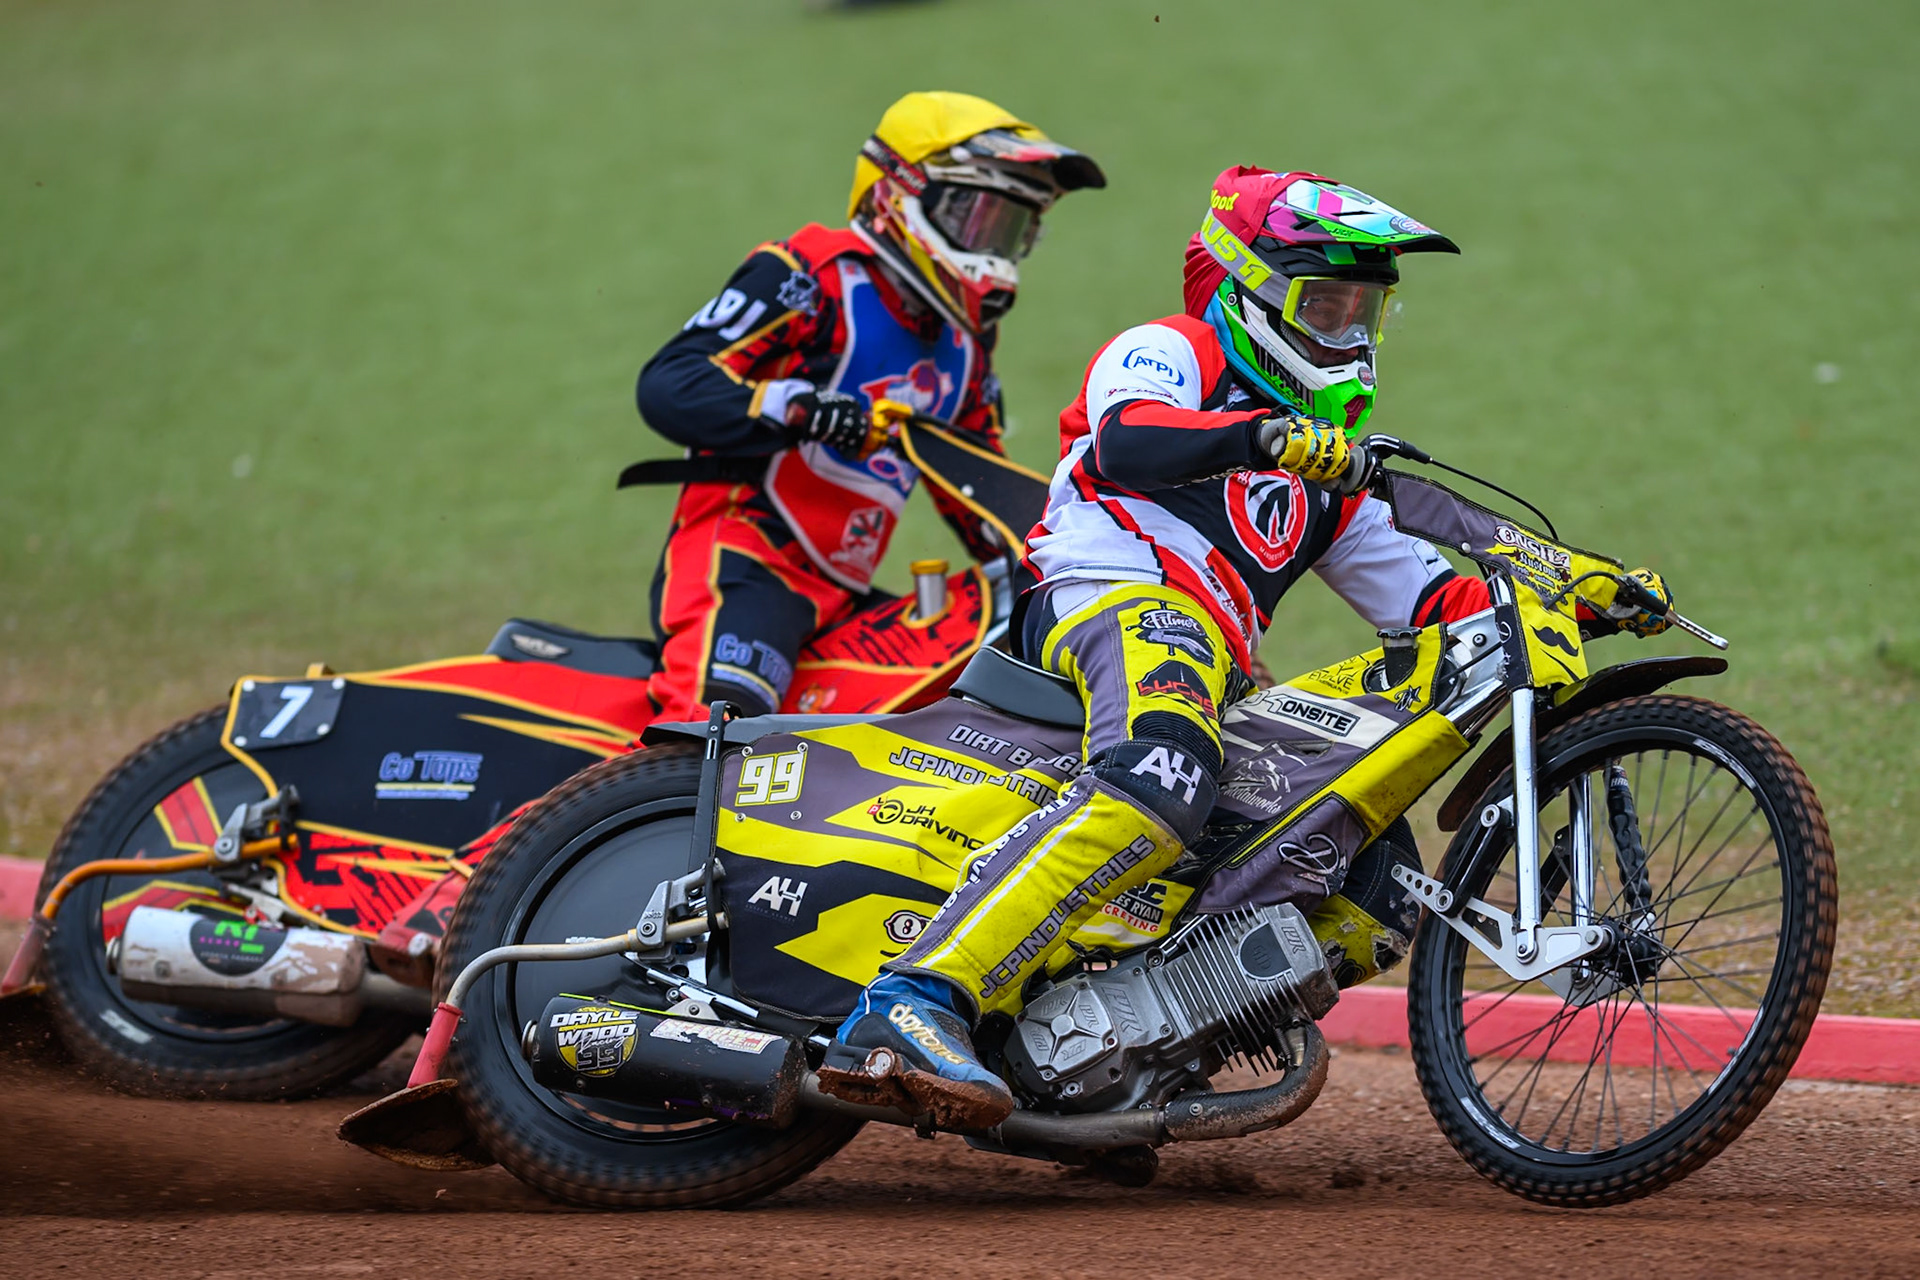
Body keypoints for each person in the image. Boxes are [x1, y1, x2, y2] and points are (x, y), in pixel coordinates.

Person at [818, 165, 1676, 1129]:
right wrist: (1264, 436)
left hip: (1204, 656)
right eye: (1326, 302)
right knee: (1168, 773)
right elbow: (1127, 446)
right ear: (1248, 286)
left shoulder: (1329, 474)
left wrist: (1565, 590)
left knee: (1373, 868)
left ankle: (1122, 1060)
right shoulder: (1170, 349)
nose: (1348, 331)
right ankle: (915, 1001)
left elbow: (1428, 598)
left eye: (1367, 309)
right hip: (1108, 599)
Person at [631, 92, 1104, 721]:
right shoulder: (810, 274)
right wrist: (801, 409)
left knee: (962, 690)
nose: (993, 251)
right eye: (979, 218)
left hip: (845, 592)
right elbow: (671, 382)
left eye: (1013, 230)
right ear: (893, 197)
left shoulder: (965, 344)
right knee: (719, 740)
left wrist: (1072, 564)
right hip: (745, 562)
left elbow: (978, 490)